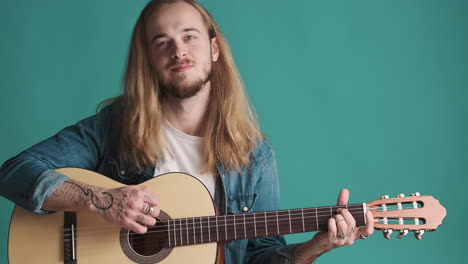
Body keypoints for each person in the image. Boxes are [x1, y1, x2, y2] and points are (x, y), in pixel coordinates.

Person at [0, 0, 374, 263]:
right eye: (162, 42)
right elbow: (14, 172)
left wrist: (314, 248)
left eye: (189, 36)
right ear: (149, 60)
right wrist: (102, 200)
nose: (178, 50)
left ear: (214, 48)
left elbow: (259, 258)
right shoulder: (116, 127)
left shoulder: (254, 156)